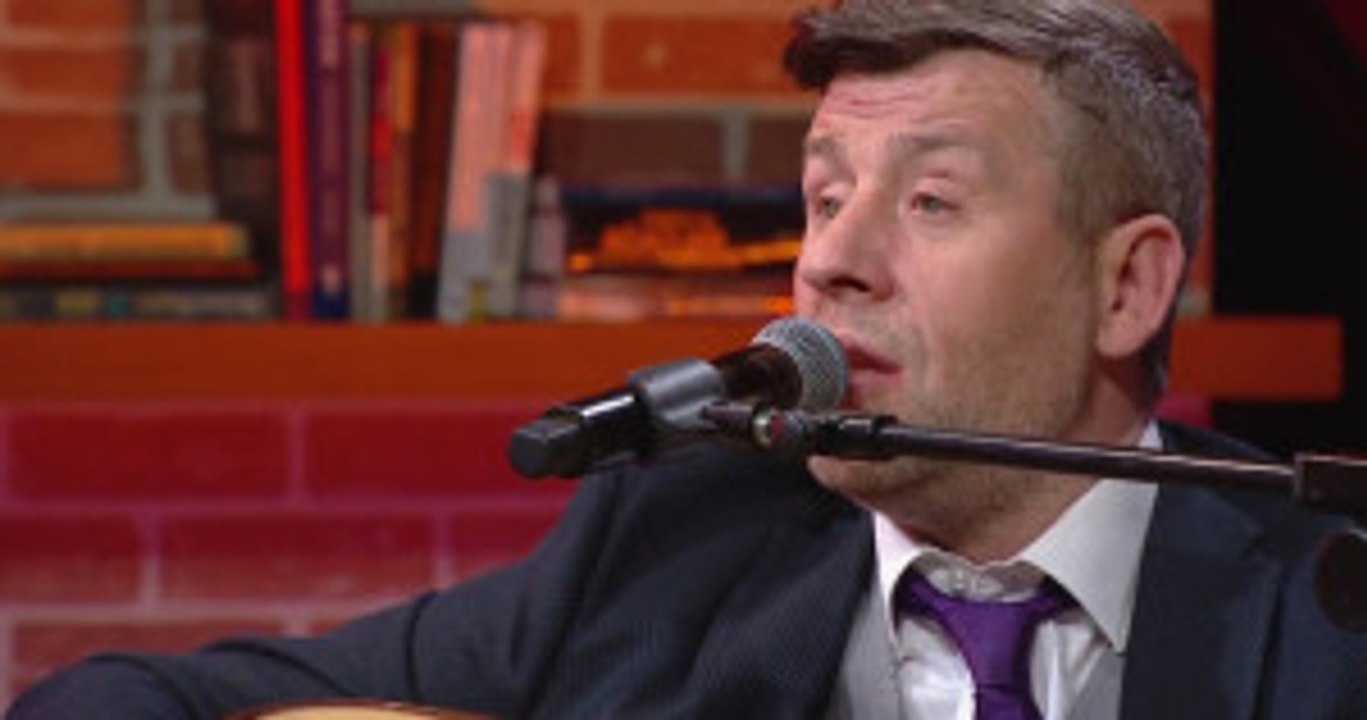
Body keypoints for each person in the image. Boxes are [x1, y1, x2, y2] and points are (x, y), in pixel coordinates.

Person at [12, 0, 1367, 718]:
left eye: (930, 201)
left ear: (1126, 287)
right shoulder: (669, 546)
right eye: (824, 195)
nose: (831, 262)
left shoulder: (1329, 610)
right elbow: (124, 703)